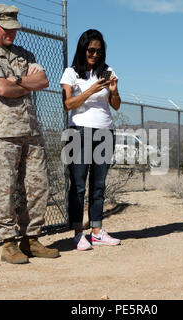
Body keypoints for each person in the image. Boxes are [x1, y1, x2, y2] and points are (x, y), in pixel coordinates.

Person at [0, 4, 59, 264]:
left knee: (37, 187)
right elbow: (1, 89)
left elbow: (43, 81)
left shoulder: (25, 54)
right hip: (1, 134)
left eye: (14, 29)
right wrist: (22, 82)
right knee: (5, 189)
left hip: (30, 132)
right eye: (6, 29)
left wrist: (16, 80)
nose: (11, 33)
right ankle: (8, 243)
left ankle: (31, 239)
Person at [60, 29, 122, 250]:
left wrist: (113, 91)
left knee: (98, 185)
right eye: (91, 50)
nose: (95, 54)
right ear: (83, 49)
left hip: (105, 131)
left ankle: (97, 231)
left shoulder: (107, 71)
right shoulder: (71, 73)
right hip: (78, 131)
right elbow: (68, 104)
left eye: (99, 50)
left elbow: (115, 104)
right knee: (78, 185)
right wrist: (90, 90)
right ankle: (78, 233)